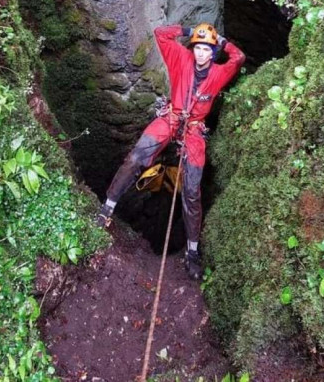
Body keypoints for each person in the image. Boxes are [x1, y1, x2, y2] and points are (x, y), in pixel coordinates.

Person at [96, 22, 246, 279]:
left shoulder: (219, 74)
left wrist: (220, 40)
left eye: (206, 49)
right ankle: (107, 207)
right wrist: (189, 31)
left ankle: (192, 251)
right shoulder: (181, 57)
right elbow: (160, 34)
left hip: (194, 130)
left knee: (191, 191)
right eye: (197, 48)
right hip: (171, 117)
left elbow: (239, 57)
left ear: (212, 53)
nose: (200, 53)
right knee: (135, 158)